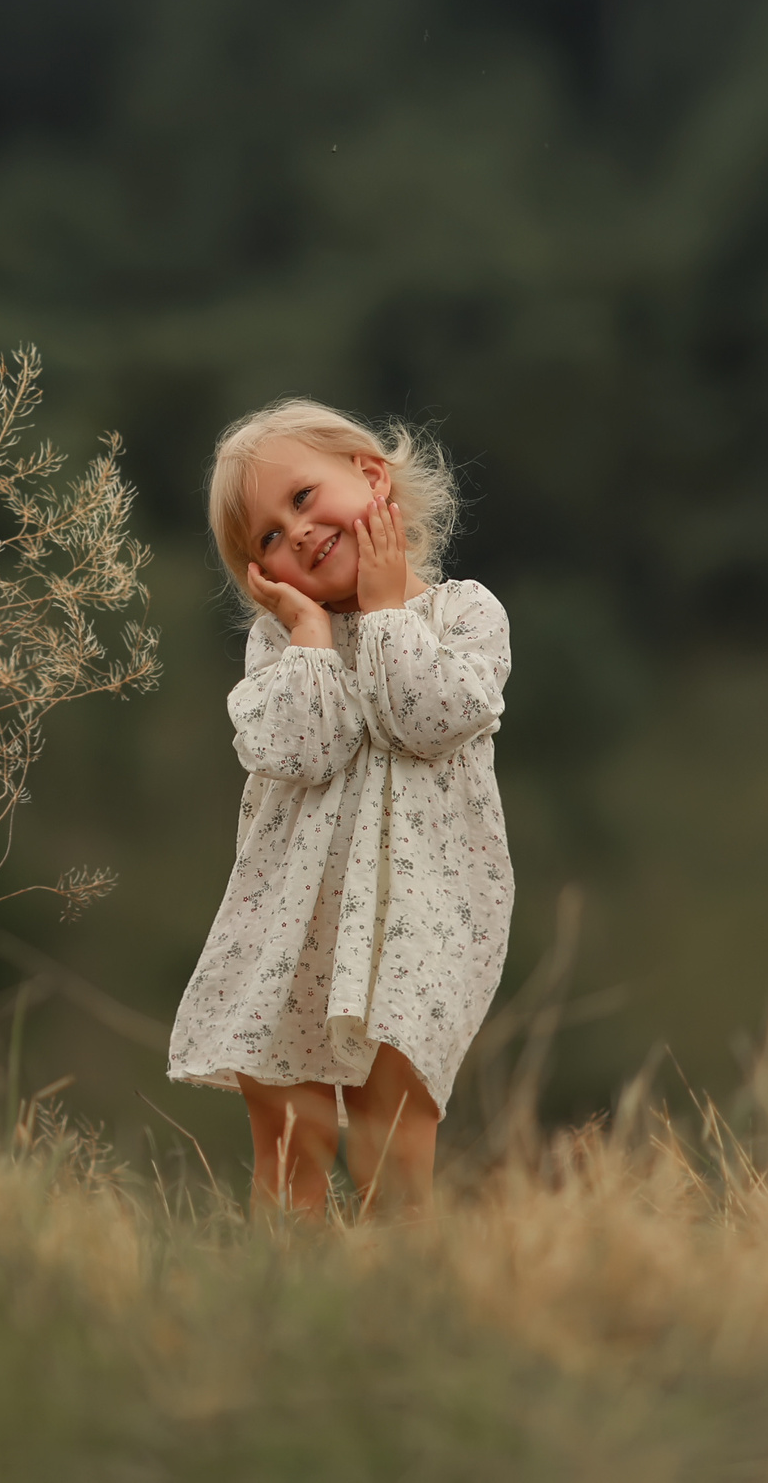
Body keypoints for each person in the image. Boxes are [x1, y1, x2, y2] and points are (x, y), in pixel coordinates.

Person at [166, 400, 513, 1215]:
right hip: (293, 926)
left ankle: (401, 1303)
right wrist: (311, 636)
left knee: (394, 1136)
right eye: (267, 542)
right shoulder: (281, 649)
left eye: (301, 499)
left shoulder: (463, 614)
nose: (297, 535)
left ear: (369, 475)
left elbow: (425, 722)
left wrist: (388, 613)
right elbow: (306, 748)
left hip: (416, 923)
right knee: (292, 1142)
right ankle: (287, 1310)